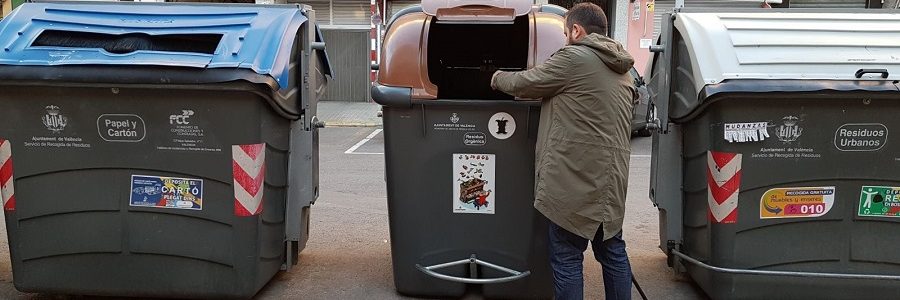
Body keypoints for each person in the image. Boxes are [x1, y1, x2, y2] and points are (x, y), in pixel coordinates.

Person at [490, 3, 635, 299]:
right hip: (611, 182)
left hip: (575, 181)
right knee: (612, 252)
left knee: (567, 255)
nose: (565, 37)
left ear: (577, 30)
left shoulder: (575, 57)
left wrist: (493, 76)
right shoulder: (624, 70)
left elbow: (526, 83)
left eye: (565, 31)